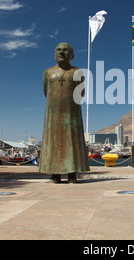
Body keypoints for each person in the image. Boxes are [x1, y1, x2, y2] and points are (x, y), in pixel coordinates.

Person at [39, 42, 89, 183]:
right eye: (58, 50)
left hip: (71, 112)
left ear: (71, 55)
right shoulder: (48, 72)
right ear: (54, 54)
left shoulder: (77, 72)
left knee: (72, 141)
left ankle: (72, 174)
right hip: (52, 113)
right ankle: (55, 175)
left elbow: (81, 92)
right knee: (52, 142)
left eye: (65, 50)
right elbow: (46, 91)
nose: (61, 52)